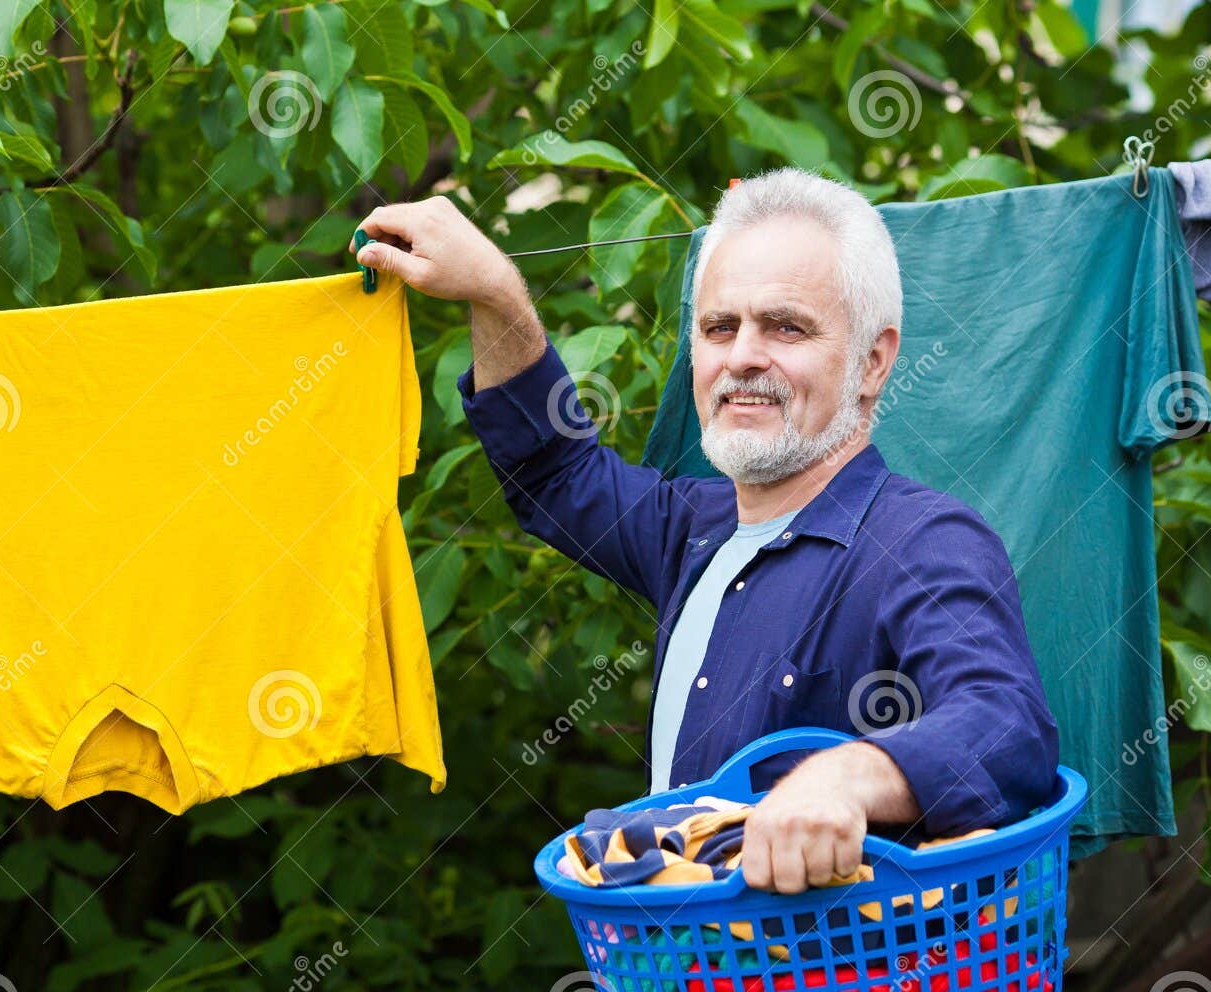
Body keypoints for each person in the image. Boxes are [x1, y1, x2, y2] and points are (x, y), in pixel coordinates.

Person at [352, 168, 1058, 896]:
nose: (742, 355)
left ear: (873, 362)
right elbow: (554, 474)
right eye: (720, 327)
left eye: (786, 326)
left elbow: (1007, 728)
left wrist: (844, 778)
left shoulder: (923, 541)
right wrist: (494, 291)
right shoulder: (693, 528)